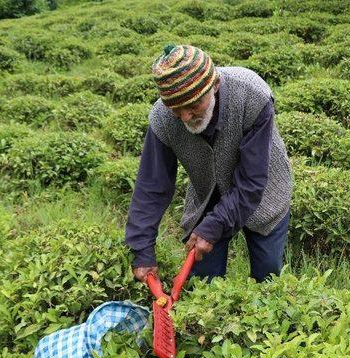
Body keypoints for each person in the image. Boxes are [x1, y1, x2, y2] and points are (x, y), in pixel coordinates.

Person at [124, 44, 292, 284]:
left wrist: (216, 225)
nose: (185, 117)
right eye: (176, 109)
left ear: (214, 86)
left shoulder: (251, 93)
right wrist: (141, 250)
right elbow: (152, 186)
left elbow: (252, 180)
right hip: (208, 191)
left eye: (193, 105)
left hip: (265, 190)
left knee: (267, 277)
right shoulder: (162, 118)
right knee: (203, 280)